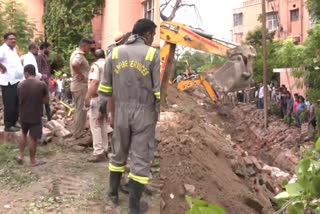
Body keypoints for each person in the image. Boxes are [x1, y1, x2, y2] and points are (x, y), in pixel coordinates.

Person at [98, 19, 159, 213]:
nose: (153, 39)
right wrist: (157, 112)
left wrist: (103, 108)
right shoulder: (152, 54)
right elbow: (158, 91)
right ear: (148, 34)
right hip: (144, 112)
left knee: (119, 152)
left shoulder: (114, 52)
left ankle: (113, 194)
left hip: (121, 111)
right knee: (140, 158)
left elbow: (105, 86)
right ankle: (134, 206)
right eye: (153, 35)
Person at [16, 64, 48, 166]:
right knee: (33, 137)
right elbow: (46, 100)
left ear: (26, 73)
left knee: (23, 133)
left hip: (23, 114)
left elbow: (19, 99)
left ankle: (20, 155)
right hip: (35, 114)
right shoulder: (42, 84)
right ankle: (33, 161)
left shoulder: (20, 85)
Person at [84, 49, 111, 162]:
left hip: (97, 97)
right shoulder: (109, 64)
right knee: (103, 123)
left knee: (95, 124)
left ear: (94, 57)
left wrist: (88, 97)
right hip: (108, 97)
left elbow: (94, 82)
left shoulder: (96, 66)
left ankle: (98, 151)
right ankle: (104, 149)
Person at [0, 32, 24, 132]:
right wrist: (2, 67)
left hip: (16, 81)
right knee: (9, 104)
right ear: (5, 40)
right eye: (11, 39)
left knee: (16, 103)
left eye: (14, 38)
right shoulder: (3, 49)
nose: (13, 40)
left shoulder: (13, 49)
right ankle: (8, 125)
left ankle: (14, 122)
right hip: (8, 81)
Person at [70, 38, 91, 139]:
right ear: (84, 46)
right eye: (89, 47)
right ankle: (78, 133)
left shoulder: (75, 53)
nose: (89, 49)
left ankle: (78, 131)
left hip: (77, 86)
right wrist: (81, 74)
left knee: (79, 109)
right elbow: (75, 64)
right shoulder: (79, 55)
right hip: (80, 86)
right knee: (81, 110)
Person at [36, 42, 52, 121]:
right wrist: (42, 77)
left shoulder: (43, 56)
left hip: (45, 81)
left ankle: (48, 116)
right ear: (44, 48)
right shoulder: (39, 56)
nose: (50, 50)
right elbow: (38, 69)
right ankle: (43, 116)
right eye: (49, 48)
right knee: (43, 98)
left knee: (46, 98)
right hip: (42, 81)